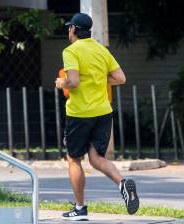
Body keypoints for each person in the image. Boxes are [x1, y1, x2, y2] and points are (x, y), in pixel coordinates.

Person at [55, 13, 139, 221]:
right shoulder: (101, 50)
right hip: (103, 112)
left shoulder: (70, 51)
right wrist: (97, 79)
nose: (68, 31)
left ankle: (80, 209)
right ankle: (122, 183)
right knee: (96, 158)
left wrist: (61, 83)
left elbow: (73, 81)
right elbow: (120, 78)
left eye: (69, 28)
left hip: (79, 114)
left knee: (74, 159)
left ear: (73, 29)